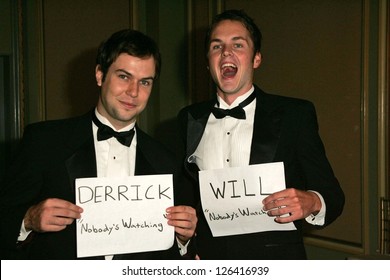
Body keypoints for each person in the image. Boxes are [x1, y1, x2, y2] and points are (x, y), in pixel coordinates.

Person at [0, 29, 197, 260]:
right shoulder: (44, 140)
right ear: (100, 75)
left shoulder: (167, 160)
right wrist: (28, 220)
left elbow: (169, 258)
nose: (133, 92)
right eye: (123, 76)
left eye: (144, 82)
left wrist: (182, 238)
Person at [177, 9, 345, 259]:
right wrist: (186, 246)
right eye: (217, 46)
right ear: (208, 62)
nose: (226, 52)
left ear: (256, 59)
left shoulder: (294, 115)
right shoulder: (188, 118)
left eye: (238, 44)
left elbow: (333, 196)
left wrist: (312, 201)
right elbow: (185, 199)